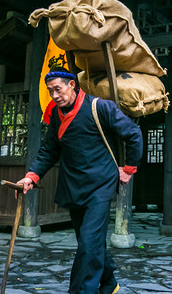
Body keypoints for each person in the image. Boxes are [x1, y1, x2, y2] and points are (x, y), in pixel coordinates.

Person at [16, 67, 143, 294]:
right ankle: (109, 284)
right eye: (50, 90)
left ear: (72, 85)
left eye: (58, 89)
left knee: (88, 243)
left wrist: (129, 169)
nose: (54, 95)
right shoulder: (56, 114)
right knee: (90, 243)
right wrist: (31, 176)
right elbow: (49, 150)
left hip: (100, 186)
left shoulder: (99, 107)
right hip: (73, 186)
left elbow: (133, 134)